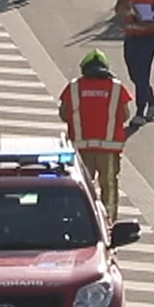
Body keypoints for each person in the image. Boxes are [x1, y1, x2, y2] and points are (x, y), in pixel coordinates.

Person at [59, 50, 131, 222]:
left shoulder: (74, 87)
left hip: (81, 150)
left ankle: (80, 219)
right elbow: (125, 115)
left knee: (80, 187)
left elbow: (63, 114)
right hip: (108, 150)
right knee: (109, 187)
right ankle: (109, 222)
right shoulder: (116, 88)